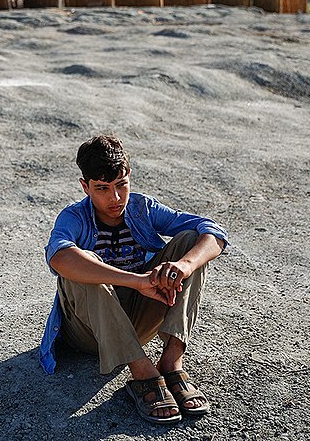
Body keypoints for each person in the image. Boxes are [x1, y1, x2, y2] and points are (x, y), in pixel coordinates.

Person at [40, 134, 228, 425]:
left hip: (138, 320)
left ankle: (171, 361)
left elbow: (213, 232)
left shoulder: (142, 208)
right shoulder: (73, 217)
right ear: (85, 186)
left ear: (129, 176)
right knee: (83, 264)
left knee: (191, 241)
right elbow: (59, 257)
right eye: (102, 189)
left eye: (121, 185)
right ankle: (142, 374)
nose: (114, 198)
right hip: (89, 331)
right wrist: (137, 281)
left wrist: (183, 266)